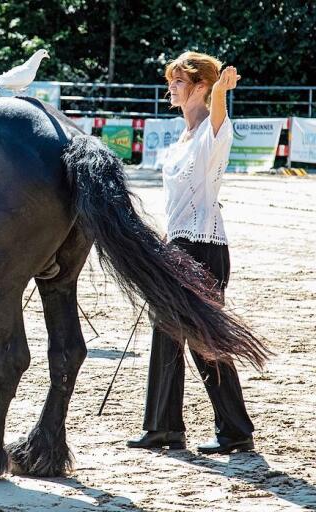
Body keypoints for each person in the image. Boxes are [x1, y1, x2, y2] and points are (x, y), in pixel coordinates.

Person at [126, 51, 255, 455]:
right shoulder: (181, 136)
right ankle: (169, 427)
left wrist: (220, 91)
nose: (171, 88)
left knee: (203, 338)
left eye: (179, 82)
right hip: (179, 243)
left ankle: (228, 429)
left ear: (200, 87)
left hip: (203, 246)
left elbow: (217, 113)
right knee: (170, 330)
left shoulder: (213, 131)